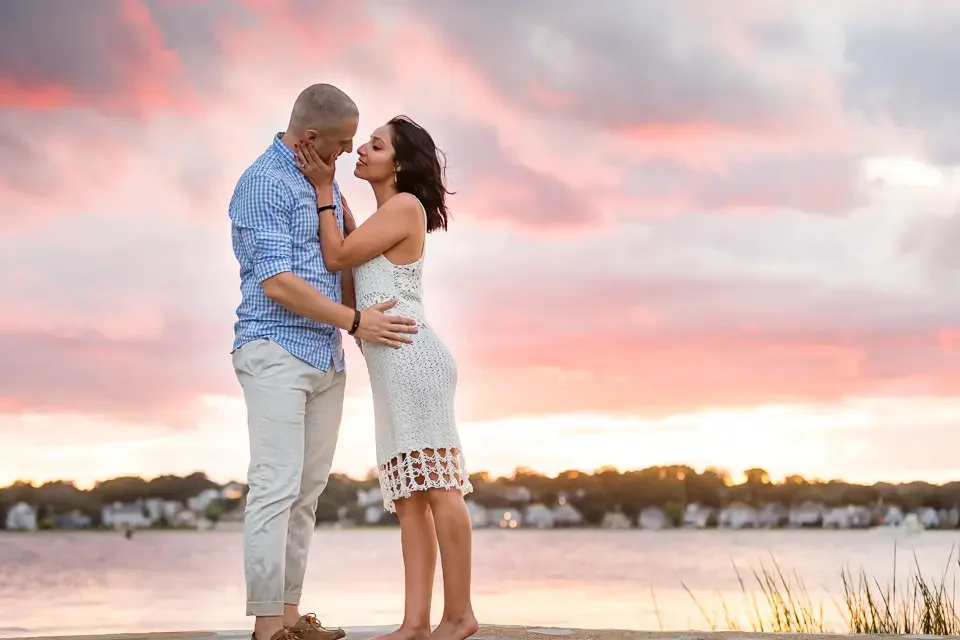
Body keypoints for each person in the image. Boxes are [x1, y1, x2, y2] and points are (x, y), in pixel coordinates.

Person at [228, 84, 420, 640]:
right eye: (342, 144)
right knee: (274, 485)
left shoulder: (326, 183)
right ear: (311, 137)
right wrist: (357, 322)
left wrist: (363, 332)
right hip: (275, 349)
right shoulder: (261, 183)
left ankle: (289, 617)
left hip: (325, 354)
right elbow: (278, 283)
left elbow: (345, 259)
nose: (347, 154)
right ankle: (267, 629)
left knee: (307, 491)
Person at [294, 116, 477, 640]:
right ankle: (415, 623)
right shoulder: (378, 219)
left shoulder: (404, 207)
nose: (362, 151)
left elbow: (335, 255)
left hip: (413, 359)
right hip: (390, 367)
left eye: (375, 146)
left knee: (440, 487)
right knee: (409, 501)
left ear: (398, 163)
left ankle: (459, 615)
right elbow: (349, 295)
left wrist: (325, 190)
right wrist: (341, 211)